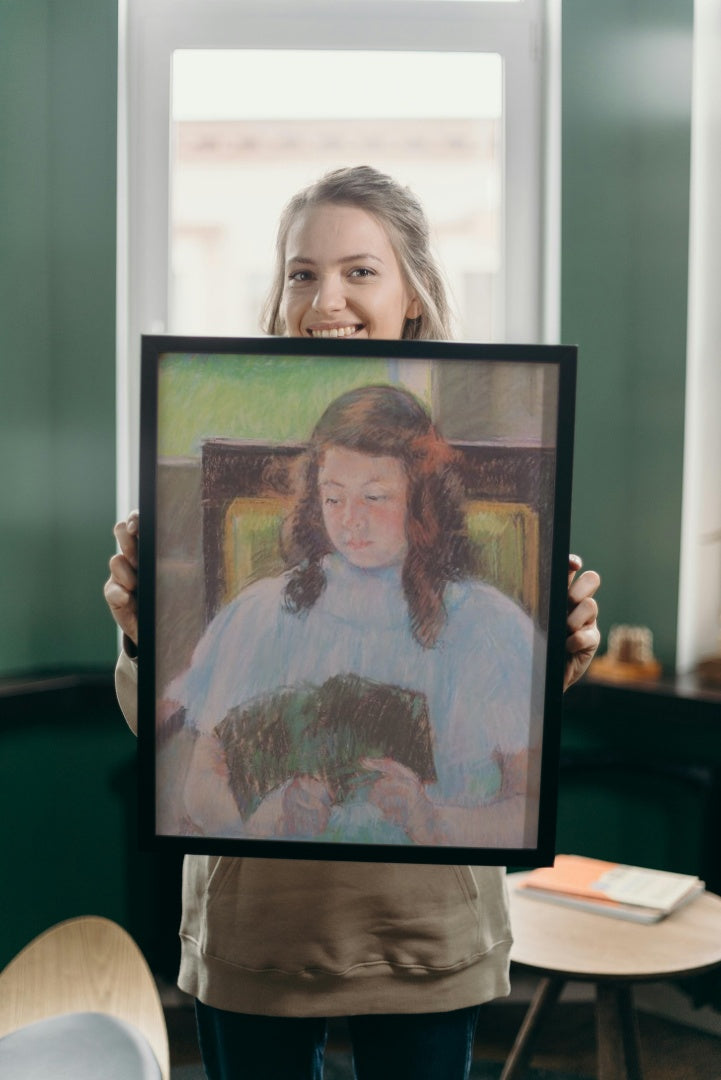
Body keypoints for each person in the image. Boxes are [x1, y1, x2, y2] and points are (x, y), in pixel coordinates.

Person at [105, 166, 601, 1080]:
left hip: (422, 938)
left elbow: (520, 793)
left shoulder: (485, 621)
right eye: (301, 272)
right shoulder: (259, 608)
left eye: (359, 271)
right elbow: (181, 767)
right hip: (257, 936)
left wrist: (443, 803)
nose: (324, 297)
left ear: (412, 293)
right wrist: (145, 636)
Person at [164, 383, 542, 849]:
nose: (351, 521)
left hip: (428, 900)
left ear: (421, 500)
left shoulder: (490, 629)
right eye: (334, 497)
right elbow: (201, 784)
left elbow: (531, 807)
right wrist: (265, 821)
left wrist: (435, 823)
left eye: (375, 497)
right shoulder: (260, 616)